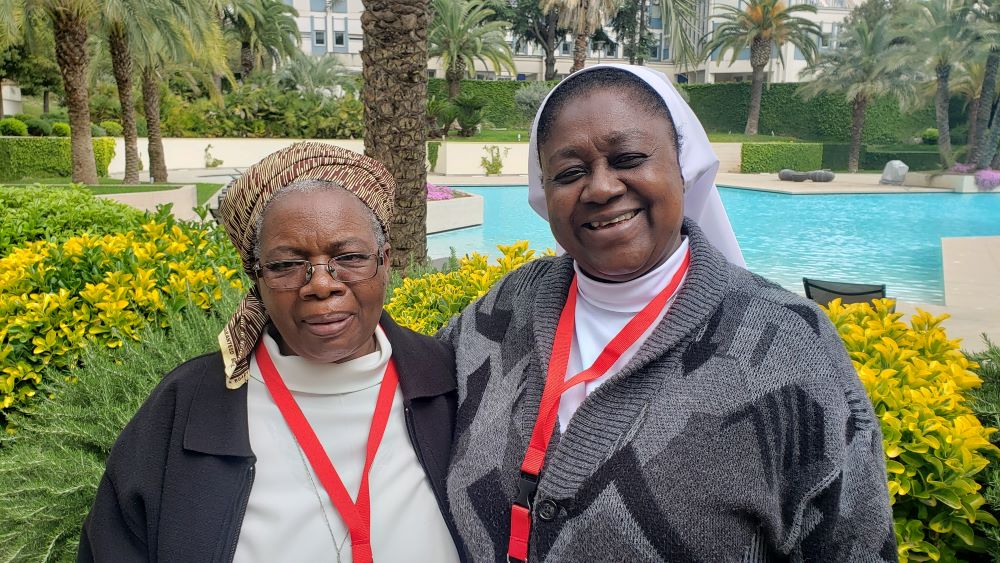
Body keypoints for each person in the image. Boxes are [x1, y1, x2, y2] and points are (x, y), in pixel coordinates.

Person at [442, 65, 896, 562]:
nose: (600, 188)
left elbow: (854, 544)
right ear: (543, 192)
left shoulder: (788, 346)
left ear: (683, 166)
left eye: (629, 158)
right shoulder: (507, 306)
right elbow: (400, 384)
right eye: (569, 173)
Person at [79, 143, 462, 563]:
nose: (320, 284)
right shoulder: (187, 407)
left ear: (385, 261)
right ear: (256, 277)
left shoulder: (449, 382)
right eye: (286, 265)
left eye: (349, 257)